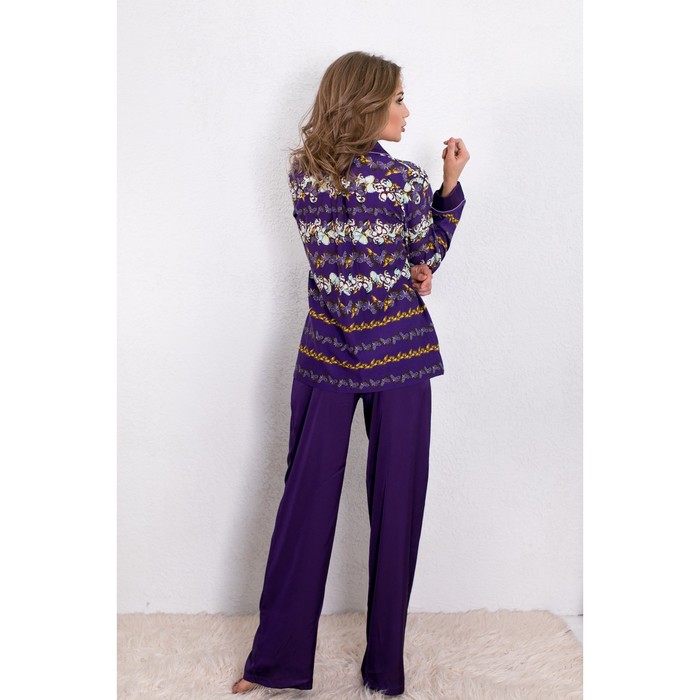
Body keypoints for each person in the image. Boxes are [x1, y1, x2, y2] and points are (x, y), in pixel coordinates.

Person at [232, 50, 469, 696]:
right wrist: (449, 192)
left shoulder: (302, 174)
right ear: (367, 105)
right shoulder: (405, 182)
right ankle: (384, 672)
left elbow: (377, 258)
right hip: (398, 353)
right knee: (398, 507)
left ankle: (274, 663)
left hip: (328, 352)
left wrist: (412, 260)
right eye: (398, 99)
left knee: (304, 502)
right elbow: (423, 257)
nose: (407, 111)